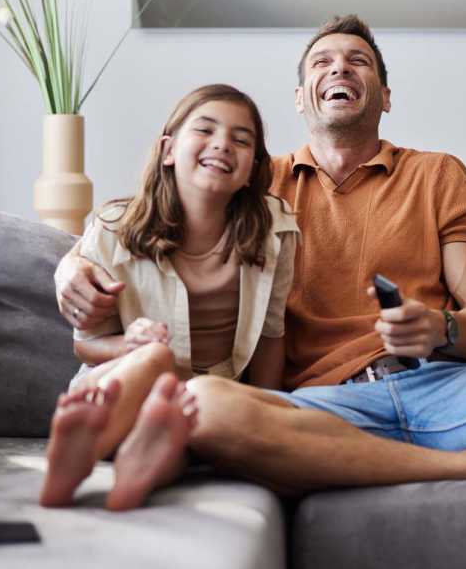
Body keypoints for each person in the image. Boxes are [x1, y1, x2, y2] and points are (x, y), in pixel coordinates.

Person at [55, 15, 466, 569]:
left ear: (386, 95)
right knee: (203, 407)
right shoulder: (253, 184)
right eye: (321, 62)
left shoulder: (436, 174)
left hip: (444, 386)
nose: (339, 67)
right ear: (299, 97)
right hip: (323, 405)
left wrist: (438, 328)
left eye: (358, 61)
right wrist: (69, 266)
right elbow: (149, 222)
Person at [39, 84, 300, 511]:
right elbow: (83, 343)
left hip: (202, 397)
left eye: (241, 139)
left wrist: (267, 407)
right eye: (206, 130)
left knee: (190, 414)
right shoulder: (113, 228)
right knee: (157, 360)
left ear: (252, 168)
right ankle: (83, 449)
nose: (222, 144)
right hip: (119, 386)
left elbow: (272, 335)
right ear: (168, 150)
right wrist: (133, 344)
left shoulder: (276, 232)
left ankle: (147, 463)